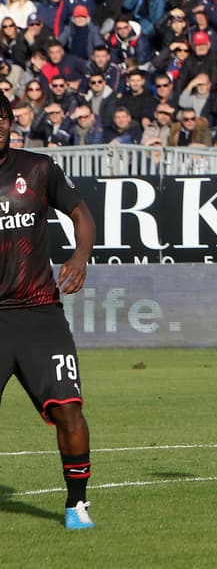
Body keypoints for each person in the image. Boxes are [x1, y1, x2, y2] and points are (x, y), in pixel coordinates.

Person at [0, 92, 98, 530]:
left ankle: (76, 503)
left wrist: (79, 258)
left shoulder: (38, 169)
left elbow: (81, 213)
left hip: (40, 313)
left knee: (69, 410)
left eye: (2, 118)